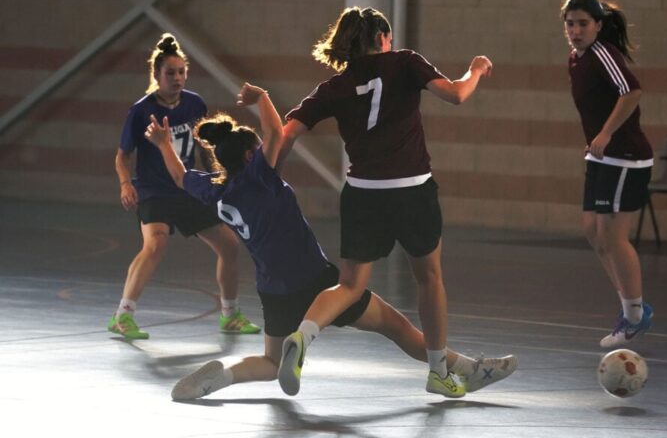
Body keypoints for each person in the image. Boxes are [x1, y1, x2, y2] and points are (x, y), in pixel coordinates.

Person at [142, 84, 516, 400]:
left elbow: (179, 177)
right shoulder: (260, 177)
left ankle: (223, 374)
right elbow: (275, 132)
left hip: (273, 290)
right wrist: (262, 98)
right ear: (250, 155)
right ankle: (472, 369)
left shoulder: (216, 190)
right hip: (316, 281)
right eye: (259, 149)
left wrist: (163, 145)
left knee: (271, 364)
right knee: (398, 328)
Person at [275, 6, 494, 398]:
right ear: (382, 39)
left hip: (363, 195)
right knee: (429, 278)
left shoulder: (335, 86)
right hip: (412, 190)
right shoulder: (405, 63)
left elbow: (288, 132)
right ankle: (438, 371)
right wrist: (475, 70)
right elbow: (457, 95)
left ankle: (304, 336)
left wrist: (269, 173)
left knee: (350, 286)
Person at [110, 33, 260, 339]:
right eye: (170, 73)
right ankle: (123, 316)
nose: (177, 78)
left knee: (230, 246)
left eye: (181, 72)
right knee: (156, 243)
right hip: (154, 190)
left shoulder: (194, 104)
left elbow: (205, 151)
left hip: (187, 187)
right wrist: (126, 184)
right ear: (156, 75)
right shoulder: (141, 111)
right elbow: (122, 156)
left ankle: (230, 316)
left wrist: (219, 180)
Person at [560, 0, 654, 348]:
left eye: (583, 23)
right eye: (570, 24)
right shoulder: (575, 58)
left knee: (613, 237)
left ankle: (635, 314)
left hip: (626, 157)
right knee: (592, 231)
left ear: (598, 25)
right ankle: (629, 305)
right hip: (600, 158)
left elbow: (631, 92)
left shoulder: (603, 54)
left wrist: (605, 132)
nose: (576, 30)